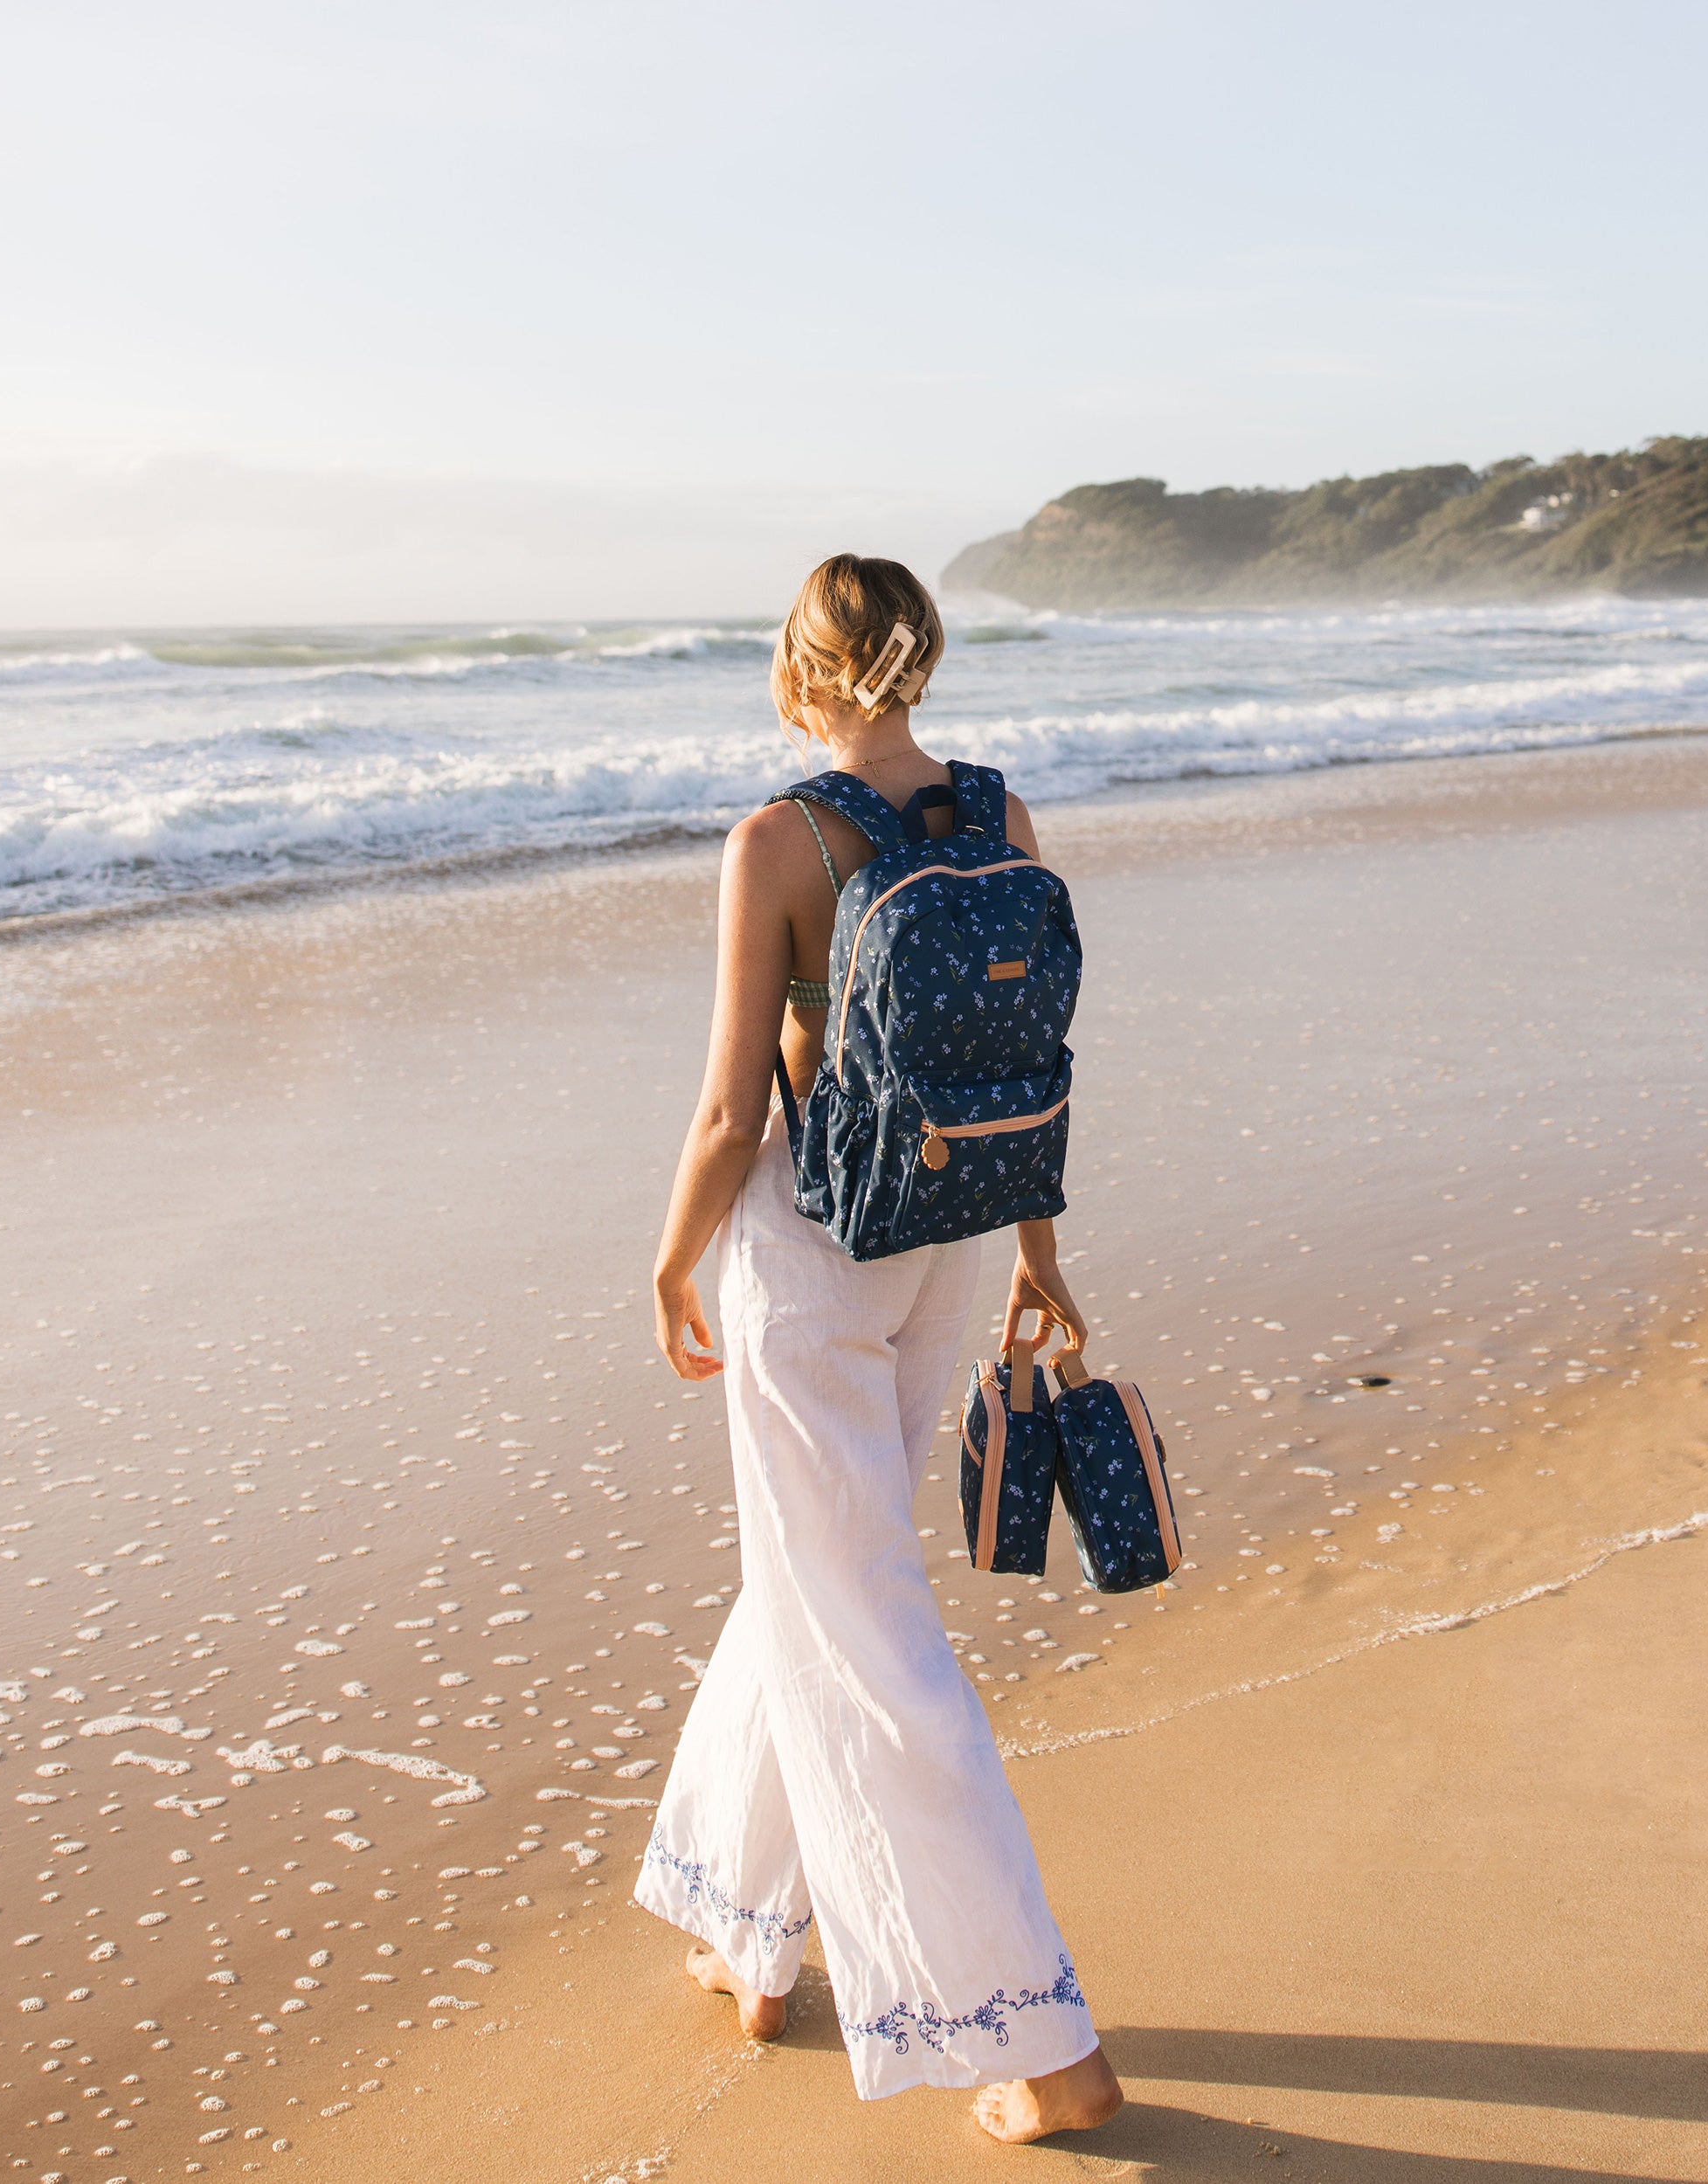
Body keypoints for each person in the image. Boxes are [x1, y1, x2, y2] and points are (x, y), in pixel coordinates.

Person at [636, 554, 1124, 2145]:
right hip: (954, 1234)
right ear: (924, 661)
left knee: (860, 1623)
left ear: (799, 672)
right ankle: (748, 1932)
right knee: (820, 1575)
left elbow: (733, 1111)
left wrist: (671, 1258)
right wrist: (1037, 1251)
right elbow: (1023, 1060)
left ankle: (1039, 2040)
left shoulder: (778, 839)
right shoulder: (1000, 811)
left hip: (814, 1251)